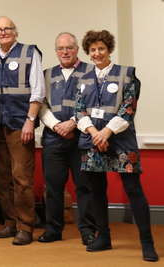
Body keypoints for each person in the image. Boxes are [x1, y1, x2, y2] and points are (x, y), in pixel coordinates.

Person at [76, 30, 158, 262]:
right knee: (97, 191)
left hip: (121, 141)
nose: (97, 53)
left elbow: (128, 109)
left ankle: (147, 243)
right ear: (88, 52)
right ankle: (104, 237)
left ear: (109, 49)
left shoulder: (127, 74)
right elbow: (78, 110)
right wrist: (94, 132)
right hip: (93, 141)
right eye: (93, 50)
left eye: (101, 48)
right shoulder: (83, 78)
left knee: (134, 191)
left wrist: (107, 132)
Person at [0, 16, 44, 245]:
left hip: (20, 124)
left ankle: (25, 226)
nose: (3, 32)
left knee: (22, 177)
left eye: (7, 28)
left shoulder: (30, 53)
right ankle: (9, 223)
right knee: (2, 178)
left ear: (15, 31)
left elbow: (38, 90)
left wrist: (30, 120)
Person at [37, 32, 95, 245]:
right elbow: (40, 104)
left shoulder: (91, 72)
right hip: (53, 139)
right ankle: (53, 229)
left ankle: (88, 230)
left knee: (85, 186)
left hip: (82, 138)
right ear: (56, 51)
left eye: (69, 47)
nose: (65, 52)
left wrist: (73, 123)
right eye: (60, 48)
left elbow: (95, 103)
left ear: (77, 49)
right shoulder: (46, 74)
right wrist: (56, 126)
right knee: (52, 187)